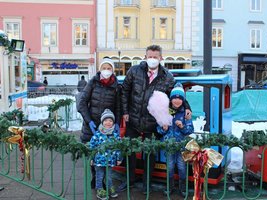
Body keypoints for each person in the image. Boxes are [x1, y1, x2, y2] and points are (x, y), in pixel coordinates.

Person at [119, 44, 191, 193]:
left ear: (160, 58)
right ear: (145, 57)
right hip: (133, 118)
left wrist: (187, 107)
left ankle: (147, 183)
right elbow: (125, 91)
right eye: (149, 56)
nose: (152, 59)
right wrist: (125, 111)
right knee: (129, 151)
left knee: (150, 153)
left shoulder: (167, 76)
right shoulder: (134, 71)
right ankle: (129, 180)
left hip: (152, 122)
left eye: (155, 57)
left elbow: (176, 94)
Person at [77, 58, 121, 188]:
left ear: (112, 70)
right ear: (100, 69)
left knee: (107, 153)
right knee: (93, 153)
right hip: (92, 125)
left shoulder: (116, 87)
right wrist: (89, 121)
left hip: (108, 126)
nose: (106, 71)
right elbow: (82, 103)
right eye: (104, 68)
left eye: (109, 68)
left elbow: (118, 107)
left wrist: (117, 123)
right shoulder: (93, 83)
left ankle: (105, 180)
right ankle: (95, 177)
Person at [157, 83, 194, 197]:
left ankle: (183, 188)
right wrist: (163, 128)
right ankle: (170, 187)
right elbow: (158, 129)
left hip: (182, 146)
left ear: (183, 100)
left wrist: (182, 126)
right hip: (169, 146)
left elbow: (190, 129)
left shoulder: (186, 113)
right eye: (175, 98)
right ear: (171, 99)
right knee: (170, 167)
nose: (177, 101)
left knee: (182, 167)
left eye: (179, 98)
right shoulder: (165, 112)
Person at [90, 109, 122, 200]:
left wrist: (119, 158)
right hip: (99, 161)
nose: (108, 123)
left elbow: (119, 147)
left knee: (109, 176)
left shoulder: (115, 135)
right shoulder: (97, 135)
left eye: (110, 121)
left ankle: (110, 188)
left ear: (113, 123)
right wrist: (92, 158)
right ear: (102, 122)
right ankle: (99, 190)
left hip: (110, 160)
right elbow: (92, 147)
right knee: (99, 176)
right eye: (106, 120)